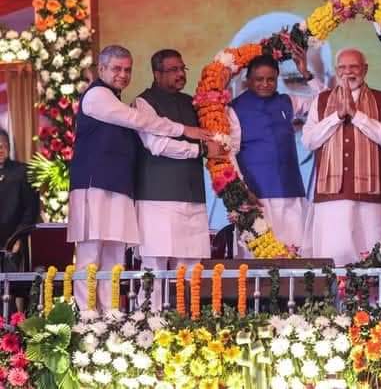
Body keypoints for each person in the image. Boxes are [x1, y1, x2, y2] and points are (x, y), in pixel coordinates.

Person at [68, 45, 211, 311]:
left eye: (127, 69)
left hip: (118, 188)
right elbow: (141, 121)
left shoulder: (114, 98)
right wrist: (185, 130)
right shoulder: (97, 95)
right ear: (101, 69)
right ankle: (86, 314)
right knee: (90, 254)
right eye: (116, 69)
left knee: (113, 256)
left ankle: (109, 313)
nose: (123, 74)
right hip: (93, 186)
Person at [134, 49, 222, 311]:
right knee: (155, 266)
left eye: (183, 69)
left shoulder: (191, 103)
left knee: (191, 268)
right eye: (173, 70)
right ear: (157, 73)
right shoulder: (143, 103)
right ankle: (148, 325)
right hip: (156, 199)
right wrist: (199, 150)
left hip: (192, 196)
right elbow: (157, 144)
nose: (180, 74)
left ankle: (191, 325)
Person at [302, 48, 381, 266]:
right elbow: (308, 140)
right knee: (334, 259)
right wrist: (337, 116)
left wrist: (356, 115)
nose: (348, 72)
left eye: (354, 66)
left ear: (365, 69)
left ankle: (374, 301)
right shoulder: (321, 100)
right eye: (343, 67)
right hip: (330, 199)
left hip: (371, 199)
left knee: (371, 259)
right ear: (336, 71)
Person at [228, 50, 325, 253]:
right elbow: (230, 153)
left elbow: (326, 104)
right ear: (248, 79)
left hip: (292, 193)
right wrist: (242, 191)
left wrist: (306, 74)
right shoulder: (234, 109)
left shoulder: (287, 101)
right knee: (260, 260)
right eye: (259, 79)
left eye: (270, 79)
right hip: (257, 197)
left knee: (300, 255)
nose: (265, 84)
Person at [0, 128, 39, 311]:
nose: (0, 149)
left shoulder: (22, 171)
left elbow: (31, 209)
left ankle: (11, 330)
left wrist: (17, 237)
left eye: (4, 145)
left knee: (10, 289)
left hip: (13, 241)